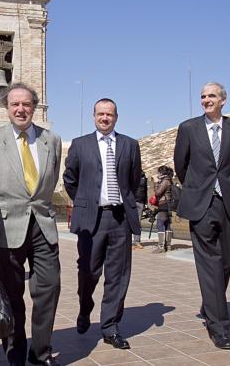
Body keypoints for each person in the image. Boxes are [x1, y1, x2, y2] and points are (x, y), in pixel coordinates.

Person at [0, 83, 63, 366]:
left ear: (34, 107)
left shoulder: (52, 140)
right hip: (5, 228)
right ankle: (14, 353)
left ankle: (41, 353)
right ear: (7, 108)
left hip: (43, 226)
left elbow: (48, 181)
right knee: (12, 295)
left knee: (48, 289)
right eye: (15, 104)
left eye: (26, 104)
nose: (21, 109)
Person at [62, 98, 143, 350]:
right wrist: (84, 201)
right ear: (93, 116)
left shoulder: (130, 145)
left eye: (109, 114)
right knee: (88, 272)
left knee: (118, 276)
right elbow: (69, 178)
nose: (105, 118)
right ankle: (85, 308)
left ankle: (110, 327)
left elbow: (136, 179)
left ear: (116, 117)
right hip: (91, 221)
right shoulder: (80, 145)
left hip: (120, 219)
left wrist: (134, 206)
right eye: (100, 114)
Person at [173, 82, 230, 350]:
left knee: (229, 255)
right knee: (209, 263)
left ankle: (209, 303)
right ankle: (219, 327)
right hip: (201, 203)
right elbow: (180, 165)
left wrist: (224, 185)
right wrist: (198, 187)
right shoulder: (188, 128)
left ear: (223, 100)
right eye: (203, 96)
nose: (206, 100)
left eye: (212, 96)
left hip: (228, 201)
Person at [151, 166, 177, 254]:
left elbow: (158, 193)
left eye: (159, 172)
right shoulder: (168, 180)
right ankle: (168, 246)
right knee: (167, 224)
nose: (157, 174)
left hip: (164, 204)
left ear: (162, 173)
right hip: (167, 204)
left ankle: (161, 246)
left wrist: (155, 182)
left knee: (160, 223)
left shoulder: (166, 181)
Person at [132, 173, 147, 250]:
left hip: (140, 202)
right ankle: (128, 241)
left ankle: (137, 241)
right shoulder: (130, 174)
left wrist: (146, 203)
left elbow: (145, 191)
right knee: (127, 222)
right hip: (131, 202)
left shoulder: (143, 177)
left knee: (138, 222)